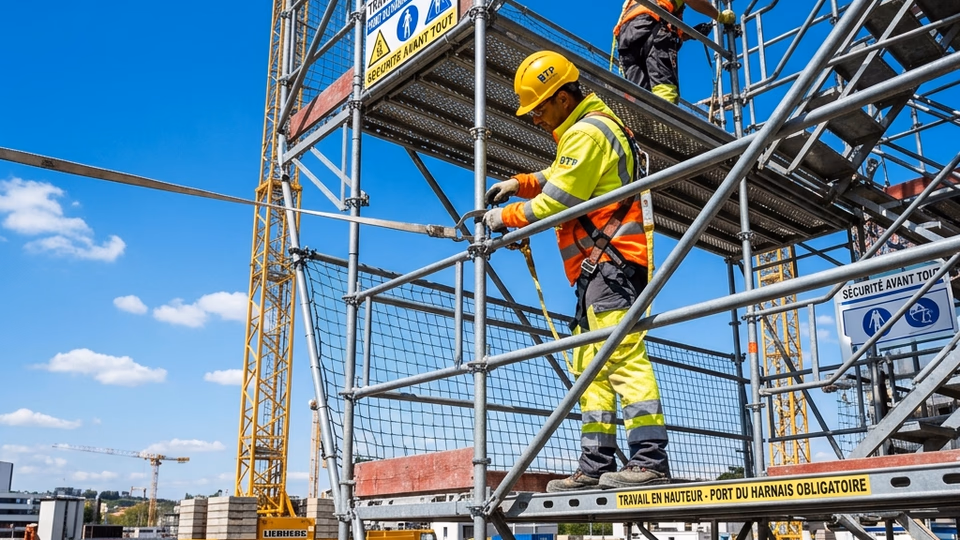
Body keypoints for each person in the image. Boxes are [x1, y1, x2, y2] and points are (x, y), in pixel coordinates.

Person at [482, 50, 670, 492]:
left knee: (621, 358)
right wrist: (522, 181)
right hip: (599, 271)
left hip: (610, 266)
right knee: (592, 368)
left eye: (541, 107)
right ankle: (594, 464)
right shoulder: (588, 131)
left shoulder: (586, 133)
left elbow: (557, 202)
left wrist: (505, 217)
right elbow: (559, 176)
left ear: (564, 97)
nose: (536, 118)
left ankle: (649, 461)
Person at [614, 0, 736, 103]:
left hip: (626, 36)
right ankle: (665, 122)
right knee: (663, 85)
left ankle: (641, 126)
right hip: (652, 24)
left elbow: (647, 21)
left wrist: (688, 33)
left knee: (637, 92)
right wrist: (719, 16)